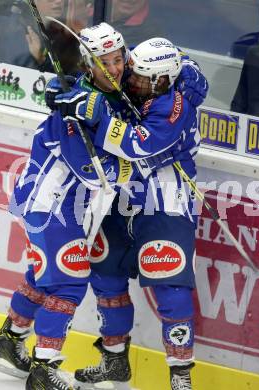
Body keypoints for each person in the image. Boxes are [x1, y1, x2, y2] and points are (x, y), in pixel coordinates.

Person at [0, 23, 207, 390]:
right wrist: (81, 109)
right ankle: (47, 367)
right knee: (77, 279)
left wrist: (101, 114)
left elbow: (136, 142)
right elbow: (95, 172)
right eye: (107, 63)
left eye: (121, 60)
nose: (120, 72)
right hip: (57, 204)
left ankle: (8, 339)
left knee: (51, 274)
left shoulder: (142, 92)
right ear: (88, 65)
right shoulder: (81, 102)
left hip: (125, 204)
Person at [52, 37, 201, 390]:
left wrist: (97, 113)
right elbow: (103, 65)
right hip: (119, 194)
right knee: (105, 273)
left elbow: (136, 144)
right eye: (132, 72)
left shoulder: (175, 107)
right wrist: (63, 85)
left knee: (170, 284)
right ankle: (114, 359)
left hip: (165, 199)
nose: (130, 80)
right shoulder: (152, 71)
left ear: (164, 80)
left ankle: (180, 376)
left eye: (141, 78)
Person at [0, 0, 80, 74]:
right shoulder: (6, 25)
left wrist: (41, 61)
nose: (58, 2)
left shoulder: (67, 37)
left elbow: (67, 83)